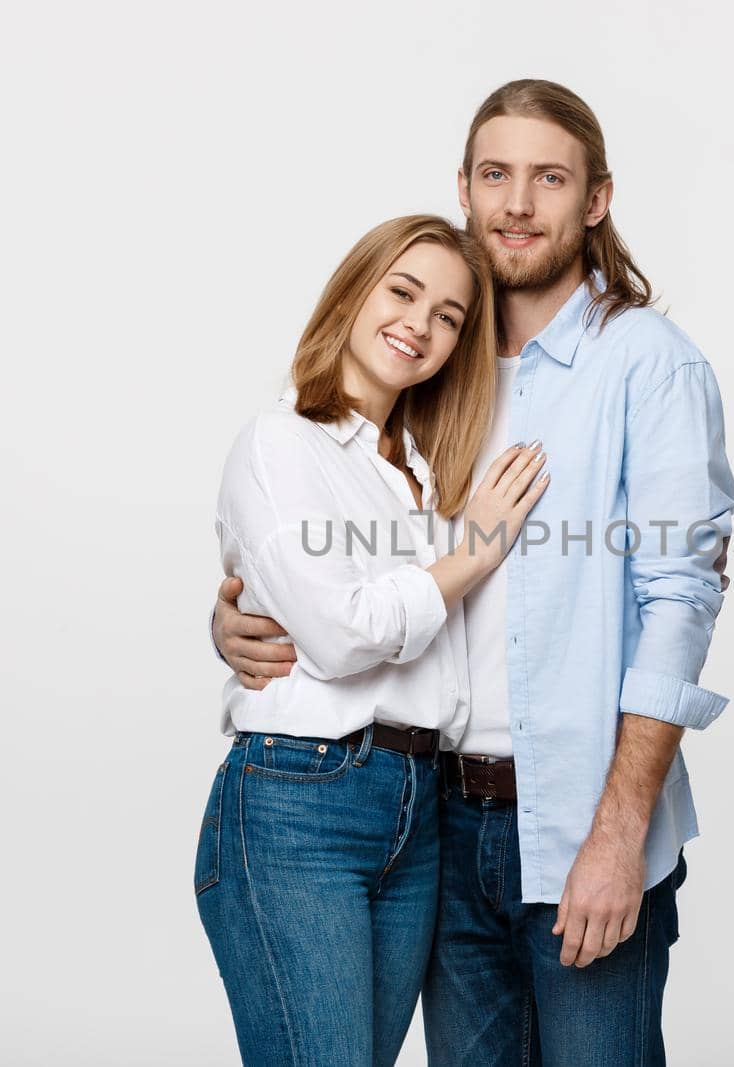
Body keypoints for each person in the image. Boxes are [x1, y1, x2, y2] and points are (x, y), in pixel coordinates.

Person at [212, 80, 734, 1065]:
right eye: (495, 173)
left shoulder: (648, 364)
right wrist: (238, 612)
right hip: (437, 828)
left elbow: (679, 598)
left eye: (549, 178)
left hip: (584, 820)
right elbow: (340, 549)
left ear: (595, 199)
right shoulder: (431, 370)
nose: (517, 202)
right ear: (463, 186)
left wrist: (619, 831)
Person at [193, 213, 550, 1067]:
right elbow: (342, 633)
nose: (420, 325)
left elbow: (425, 639)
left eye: (451, 316)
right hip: (301, 800)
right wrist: (477, 552)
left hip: (419, 807)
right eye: (403, 292)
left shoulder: (422, 472)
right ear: (354, 293)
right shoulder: (280, 441)